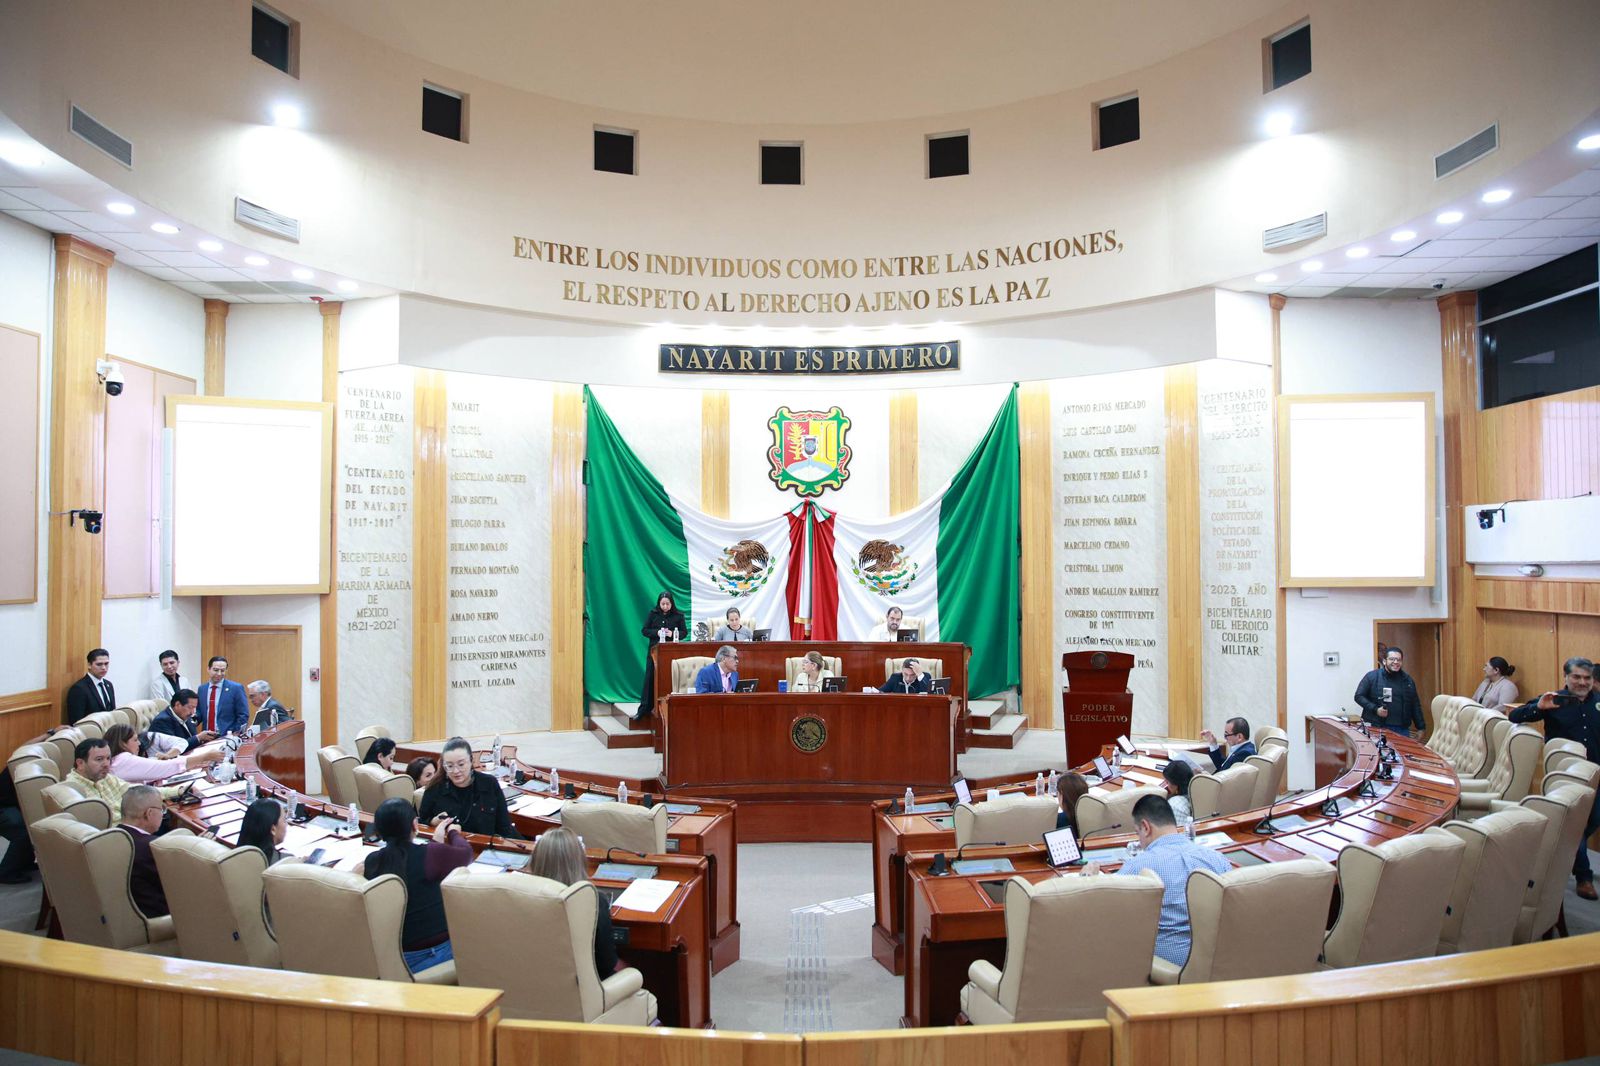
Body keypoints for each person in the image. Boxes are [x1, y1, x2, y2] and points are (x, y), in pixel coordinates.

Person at [1087, 794, 1230, 967]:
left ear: (1146, 827)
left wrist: (1089, 881)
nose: (1139, 841)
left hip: (1167, 964)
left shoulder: (1137, 866)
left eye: (1137, 833)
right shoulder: (1217, 858)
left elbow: (1103, 911)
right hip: (1217, 960)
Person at [1510, 657, 1599, 900]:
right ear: (1566, 677)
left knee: (1589, 822)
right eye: (1577, 677)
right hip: (1565, 779)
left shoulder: (1598, 702)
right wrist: (1538, 708)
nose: (1582, 682)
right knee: (1576, 824)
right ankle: (1584, 877)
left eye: (1587, 678)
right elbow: (1515, 716)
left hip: (1596, 774)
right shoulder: (1552, 699)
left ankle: (1563, 851)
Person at [364, 797, 473, 974]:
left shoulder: (372, 861)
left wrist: (435, 843)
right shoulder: (430, 854)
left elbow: (411, 864)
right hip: (434, 954)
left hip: (396, 955)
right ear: (415, 825)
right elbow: (466, 854)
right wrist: (453, 832)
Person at [529, 827, 621, 977]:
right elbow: (607, 963)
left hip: (534, 981)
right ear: (579, 860)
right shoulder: (594, 901)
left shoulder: (523, 897)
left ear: (536, 860)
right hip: (585, 987)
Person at [418, 737, 519, 837]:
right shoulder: (435, 788)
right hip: (448, 845)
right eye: (450, 766)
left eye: (461, 764)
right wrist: (432, 822)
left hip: (482, 845)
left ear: (471, 761)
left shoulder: (489, 784)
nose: (456, 771)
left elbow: (504, 827)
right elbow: (421, 824)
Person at [67, 737, 187, 810]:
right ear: (80, 763)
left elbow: (136, 791)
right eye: (99, 759)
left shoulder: (105, 777)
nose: (106, 764)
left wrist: (177, 791)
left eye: (108, 758)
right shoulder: (73, 790)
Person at [105, 723, 221, 784]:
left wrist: (192, 764)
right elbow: (163, 768)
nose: (139, 743)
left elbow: (150, 766)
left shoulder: (117, 760)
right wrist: (204, 757)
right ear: (122, 743)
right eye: (135, 740)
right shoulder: (123, 760)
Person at [118, 785, 170, 918]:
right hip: (158, 916)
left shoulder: (109, 837)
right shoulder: (152, 848)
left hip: (123, 914)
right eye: (162, 809)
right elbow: (180, 880)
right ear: (149, 813)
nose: (163, 814)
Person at [636, 591, 686, 721]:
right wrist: (657, 632)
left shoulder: (678, 616)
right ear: (659, 603)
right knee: (650, 679)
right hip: (654, 652)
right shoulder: (653, 614)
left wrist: (672, 634)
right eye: (662, 604)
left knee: (669, 678)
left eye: (667, 604)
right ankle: (644, 710)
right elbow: (644, 630)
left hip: (671, 653)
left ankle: (667, 709)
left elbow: (684, 632)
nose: (665, 606)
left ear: (671, 604)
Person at [1353, 647, 1425, 737]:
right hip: (1377, 727)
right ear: (1384, 661)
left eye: (1398, 660)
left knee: (1402, 747)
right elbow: (1359, 696)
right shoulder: (1372, 677)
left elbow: (1415, 705)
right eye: (1392, 659)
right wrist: (1376, 709)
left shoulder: (1408, 680)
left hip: (1402, 730)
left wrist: (1421, 727)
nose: (1396, 662)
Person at [147, 689, 219, 752]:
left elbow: (191, 738)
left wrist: (203, 739)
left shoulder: (184, 715)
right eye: (190, 707)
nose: (193, 712)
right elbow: (173, 749)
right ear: (177, 705)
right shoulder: (162, 721)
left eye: (194, 708)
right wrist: (198, 738)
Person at [0, 763, 36, 884]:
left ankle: (24, 863)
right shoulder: (18, 762)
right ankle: (5, 872)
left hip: (7, 803)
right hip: (3, 805)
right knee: (22, 831)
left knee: (30, 826)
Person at [196, 656, 249, 736]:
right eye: (216, 670)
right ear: (208, 669)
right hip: (206, 737)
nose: (219, 674)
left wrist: (236, 733)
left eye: (222, 671)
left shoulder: (236, 688)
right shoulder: (202, 689)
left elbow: (243, 714)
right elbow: (200, 712)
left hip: (227, 736)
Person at [65, 648, 114, 725]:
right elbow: (77, 721)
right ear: (89, 665)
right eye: (99, 664)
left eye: (106, 663)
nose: (104, 668)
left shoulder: (108, 685)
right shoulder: (79, 689)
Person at [237, 798, 291, 866]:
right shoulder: (287, 862)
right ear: (273, 829)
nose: (286, 824)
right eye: (284, 820)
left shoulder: (233, 858)